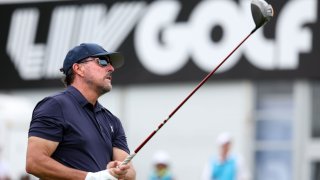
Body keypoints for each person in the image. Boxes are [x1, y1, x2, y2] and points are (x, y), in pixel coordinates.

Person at [26, 43, 136, 180]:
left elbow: (130, 174)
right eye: (102, 61)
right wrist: (89, 177)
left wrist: (118, 171)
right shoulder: (55, 106)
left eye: (110, 64)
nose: (111, 68)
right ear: (79, 69)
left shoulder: (112, 120)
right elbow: (34, 162)